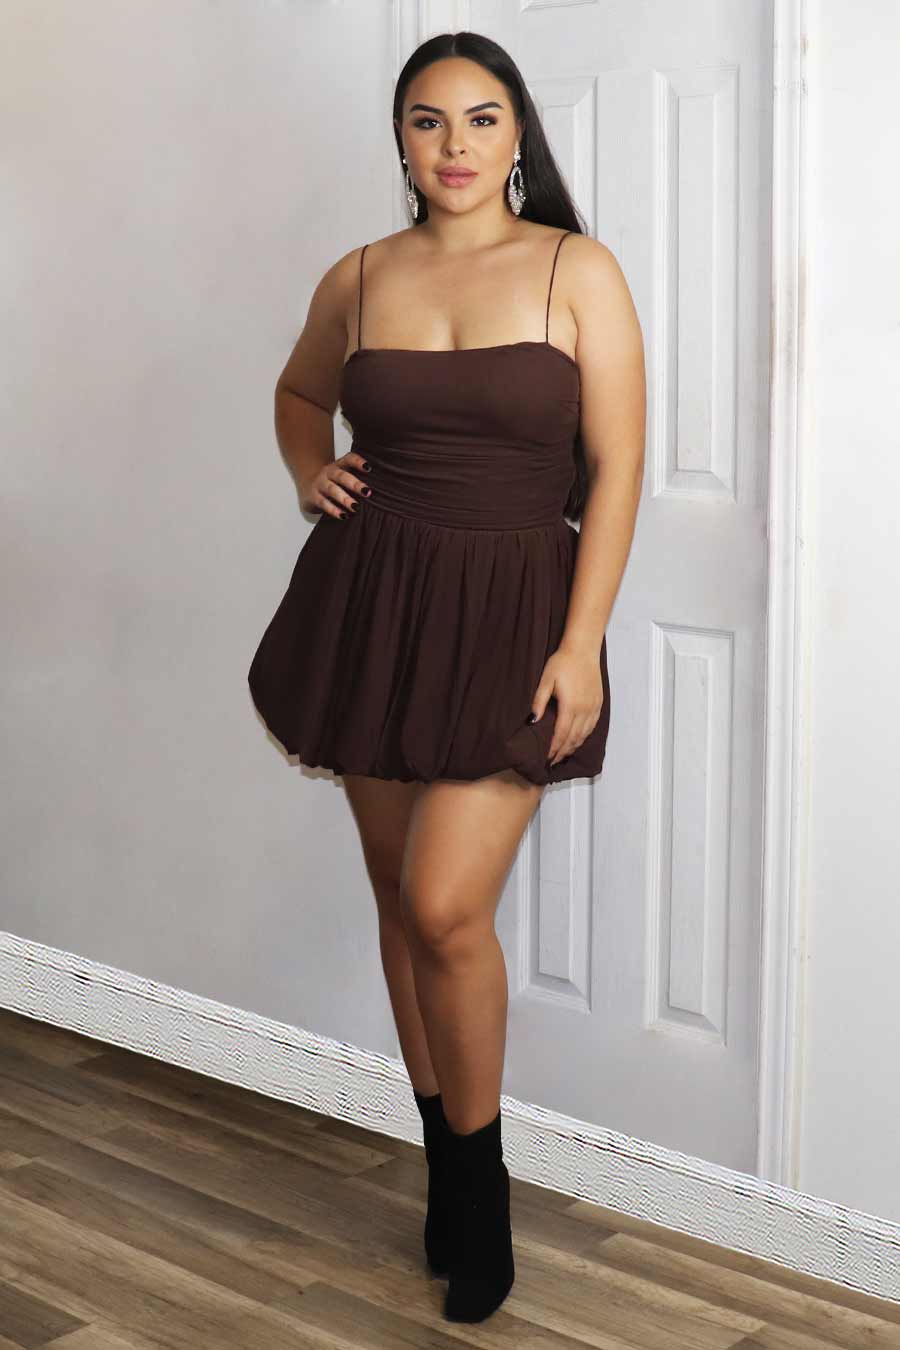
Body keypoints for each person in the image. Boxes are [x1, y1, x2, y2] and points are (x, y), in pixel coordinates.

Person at [248, 30, 645, 1324]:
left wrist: (580, 642)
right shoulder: (362, 274)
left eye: (481, 118)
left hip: (514, 616)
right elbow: (298, 394)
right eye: (428, 120)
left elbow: (620, 468)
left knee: (443, 905)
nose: (455, 145)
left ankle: (480, 1190)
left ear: (518, 133)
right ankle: (442, 1162)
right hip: (372, 606)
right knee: (396, 894)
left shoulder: (577, 269)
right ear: (401, 139)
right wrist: (310, 468)